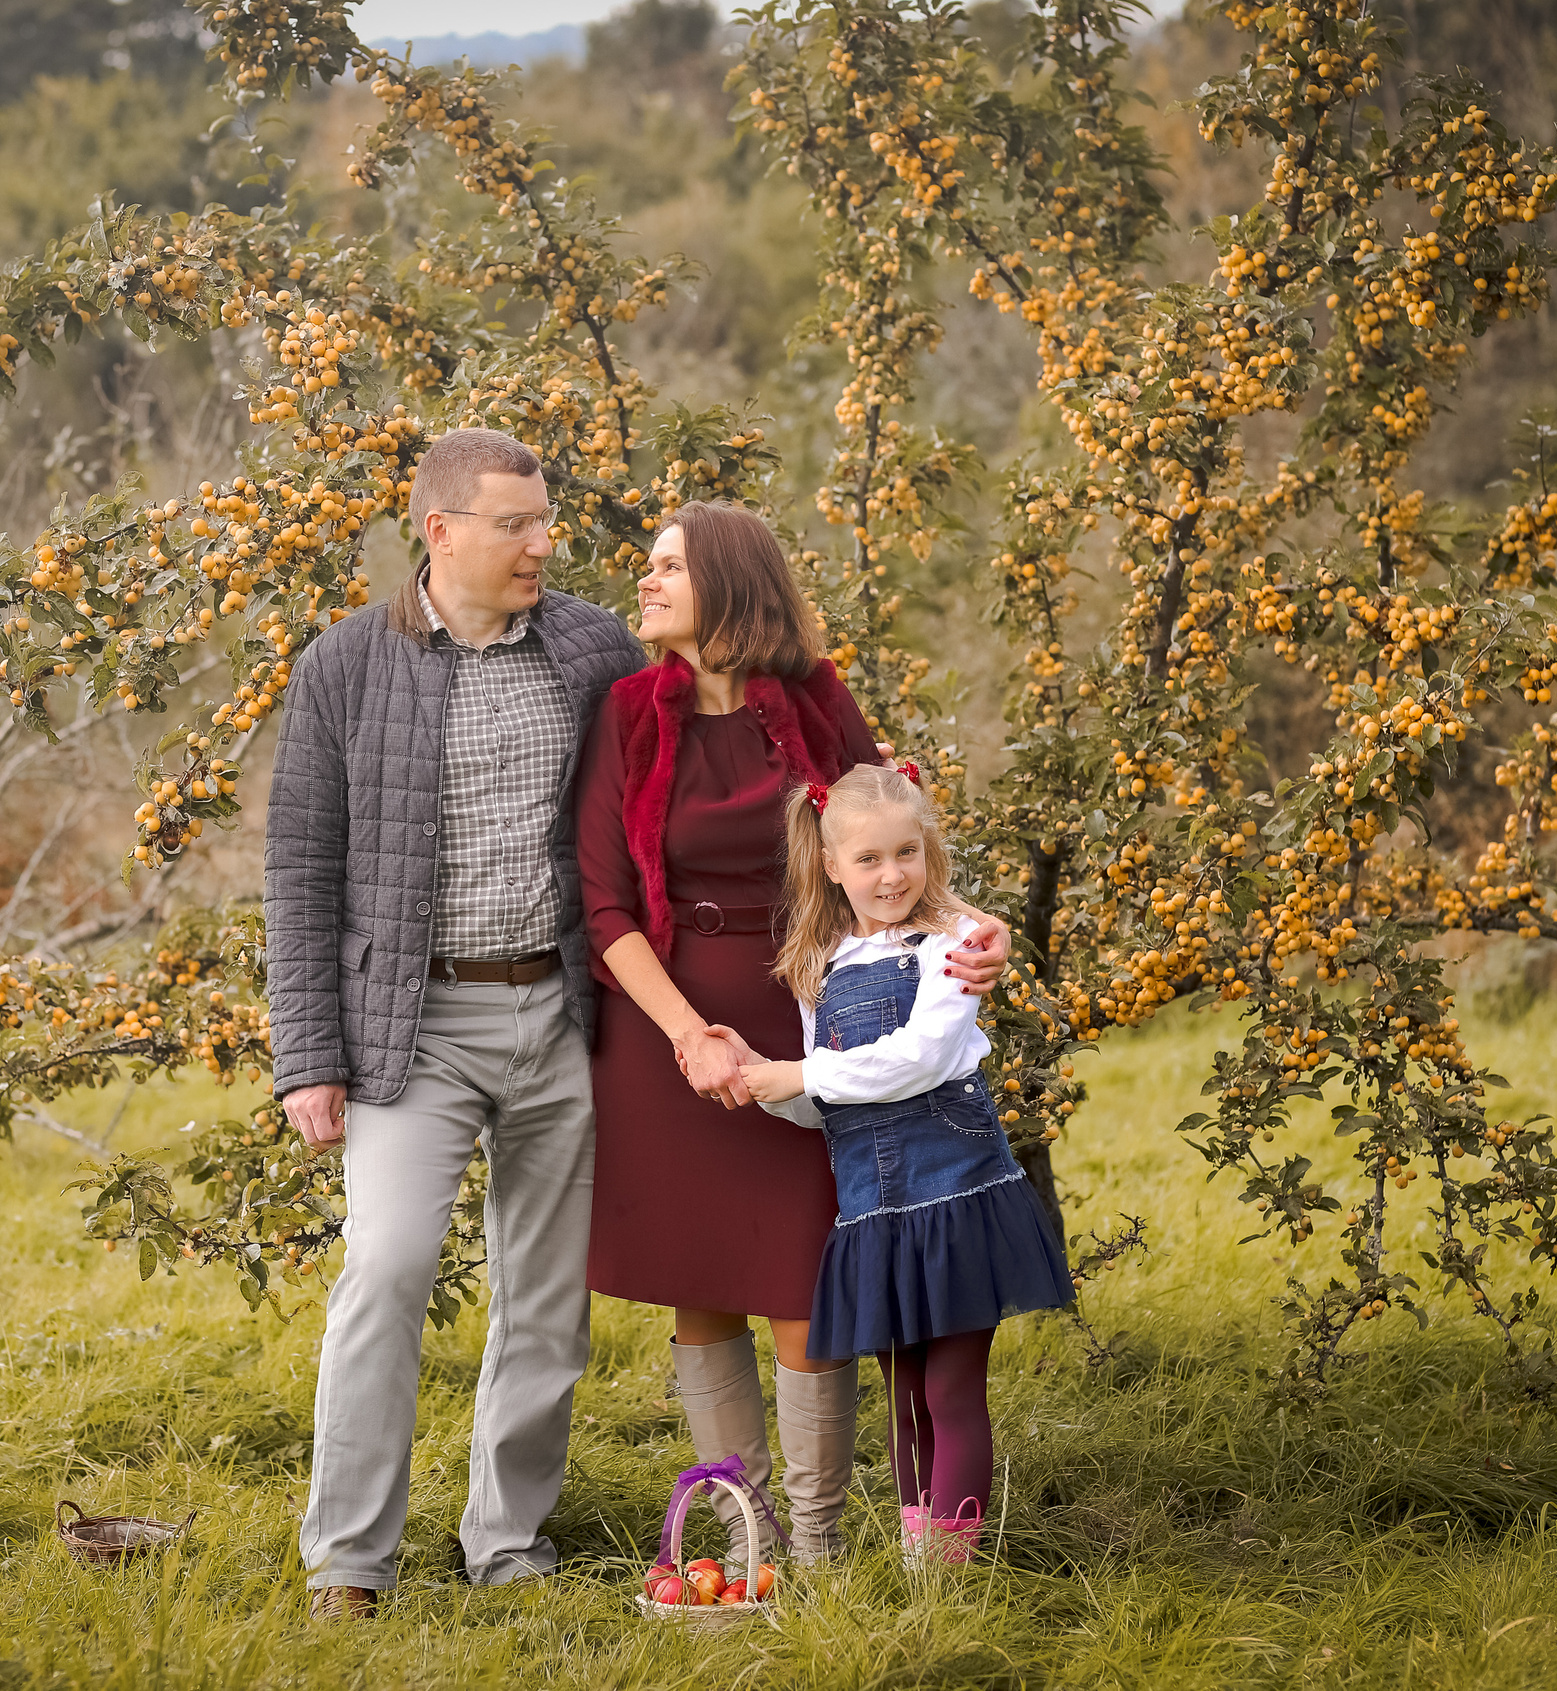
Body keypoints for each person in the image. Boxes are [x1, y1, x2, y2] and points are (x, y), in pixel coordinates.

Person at [573, 502, 1007, 1572]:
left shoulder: (813, 698)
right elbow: (603, 905)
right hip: (667, 1027)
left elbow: (893, 844)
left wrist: (969, 937)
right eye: (650, 566)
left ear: (729, 580)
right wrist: (688, 1037)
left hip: (809, 1016)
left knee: (803, 1284)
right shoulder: (625, 709)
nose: (649, 581)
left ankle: (812, 1543)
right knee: (702, 1282)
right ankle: (745, 1541)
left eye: (669, 564)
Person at [265, 427, 646, 1619]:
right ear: (440, 531)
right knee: (384, 1267)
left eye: (544, 522)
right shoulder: (341, 666)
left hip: (563, 1013)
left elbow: (680, 778)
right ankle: (349, 1558)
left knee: (545, 1290)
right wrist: (307, 1056)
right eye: (515, 524)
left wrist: (840, 778)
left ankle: (508, 1540)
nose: (542, 543)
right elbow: (299, 870)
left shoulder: (591, 647)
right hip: (409, 1026)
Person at [740, 764, 1072, 1566]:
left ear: (928, 851)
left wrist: (800, 1075)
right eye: (869, 859)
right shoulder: (818, 965)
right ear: (830, 865)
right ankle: (922, 1557)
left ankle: (949, 1575)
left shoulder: (953, 945)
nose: (891, 875)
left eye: (907, 853)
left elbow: (921, 1060)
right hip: (876, 1214)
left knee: (952, 1389)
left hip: (955, 1195)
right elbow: (823, 1098)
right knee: (906, 1400)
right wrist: (761, 1082)